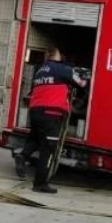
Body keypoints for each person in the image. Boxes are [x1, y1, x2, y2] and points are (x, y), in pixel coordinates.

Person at [19, 47, 88, 194]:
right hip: (51, 114)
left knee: (36, 138)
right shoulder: (63, 69)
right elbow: (82, 84)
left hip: (35, 111)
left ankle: (22, 155)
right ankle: (40, 183)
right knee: (48, 150)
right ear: (57, 56)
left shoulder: (40, 71)